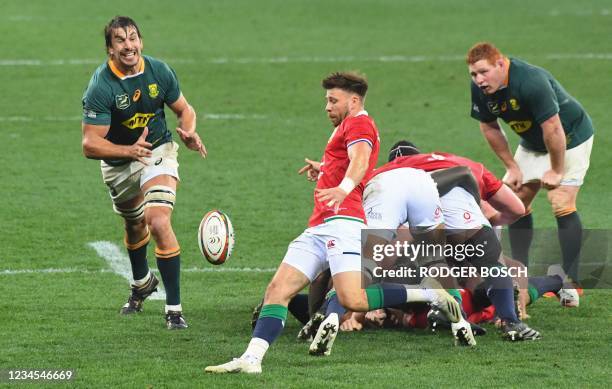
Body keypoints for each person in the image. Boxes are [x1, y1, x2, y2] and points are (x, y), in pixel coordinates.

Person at [205, 72, 460, 374]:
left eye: (332, 100)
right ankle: (251, 359)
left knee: (351, 297)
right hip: (320, 224)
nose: (327, 106)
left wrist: (343, 187)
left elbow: (361, 159)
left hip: (345, 222)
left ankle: (427, 293)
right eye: (327, 100)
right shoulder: (346, 126)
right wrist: (326, 169)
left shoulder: (360, 123)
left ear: (353, 101)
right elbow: (349, 161)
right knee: (278, 289)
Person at [81, 16, 206, 329]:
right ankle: (141, 283)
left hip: (157, 151)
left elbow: (185, 109)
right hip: (118, 162)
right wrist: (128, 151)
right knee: (134, 224)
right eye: (120, 41)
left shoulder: (158, 71)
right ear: (110, 49)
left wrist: (189, 131)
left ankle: (173, 309)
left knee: (158, 220)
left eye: (133, 38)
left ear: (141, 42)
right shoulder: (101, 85)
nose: (129, 45)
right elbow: (90, 144)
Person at [383, 140, 541, 341]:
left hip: (428, 224)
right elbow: (518, 209)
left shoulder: (389, 172)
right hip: (467, 216)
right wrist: (484, 215)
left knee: (421, 268)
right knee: (494, 267)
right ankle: (511, 322)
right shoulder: (463, 163)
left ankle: (454, 317)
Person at [466, 42, 595, 283]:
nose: (479, 79)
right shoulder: (481, 89)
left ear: (501, 64)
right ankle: (519, 271)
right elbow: (489, 126)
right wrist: (511, 167)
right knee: (514, 201)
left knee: (561, 201)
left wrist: (556, 170)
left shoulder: (530, 81)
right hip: (533, 141)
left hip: (569, 137)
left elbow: (553, 128)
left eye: (484, 72)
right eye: (474, 74)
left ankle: (571, 280)